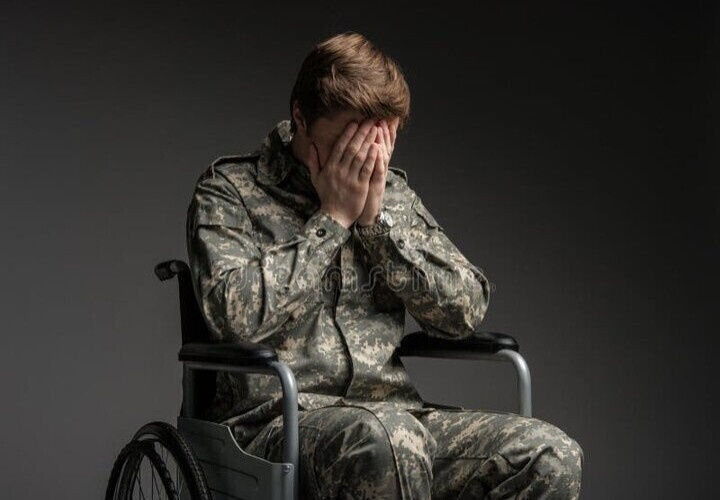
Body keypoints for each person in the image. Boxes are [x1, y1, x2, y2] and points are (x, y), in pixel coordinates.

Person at [186, 31, 583, 499]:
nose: (365, 158)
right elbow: (233, 320)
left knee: (549, 455)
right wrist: (332, 219)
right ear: (301, 119)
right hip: (277, 423)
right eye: (349, 140)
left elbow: (465, 311)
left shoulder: (391, 195)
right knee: (388, 438)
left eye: (378, 141)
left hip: (398, 419)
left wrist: (377, 227)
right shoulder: (229, 191)